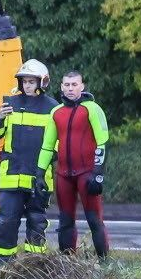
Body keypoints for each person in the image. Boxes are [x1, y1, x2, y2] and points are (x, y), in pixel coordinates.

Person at [0, 58, 58, 260]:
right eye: (24, 81)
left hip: (39, 178)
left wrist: (44, 167)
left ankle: (34, 267)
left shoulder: (53, 108)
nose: (27, 85)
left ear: (42, 82)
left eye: (31, 81)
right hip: (10, 176)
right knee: (6, 222)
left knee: (37, 223)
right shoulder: (10, 103)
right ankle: (3, 265)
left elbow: (57, 146)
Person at [53, 69, 111, 259]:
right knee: (65, 221)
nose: (70, 89)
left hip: (87, 173)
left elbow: (103, 142)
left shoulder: (92, 108)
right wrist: (39, 172)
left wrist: (98, 173)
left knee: (94, 220)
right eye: (67, 85)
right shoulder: (56, 112)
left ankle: (104, 263)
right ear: (62, 87)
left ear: (82, 86)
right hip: (63, 175)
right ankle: (67, 266)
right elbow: (47, 147)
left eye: (74, 84)